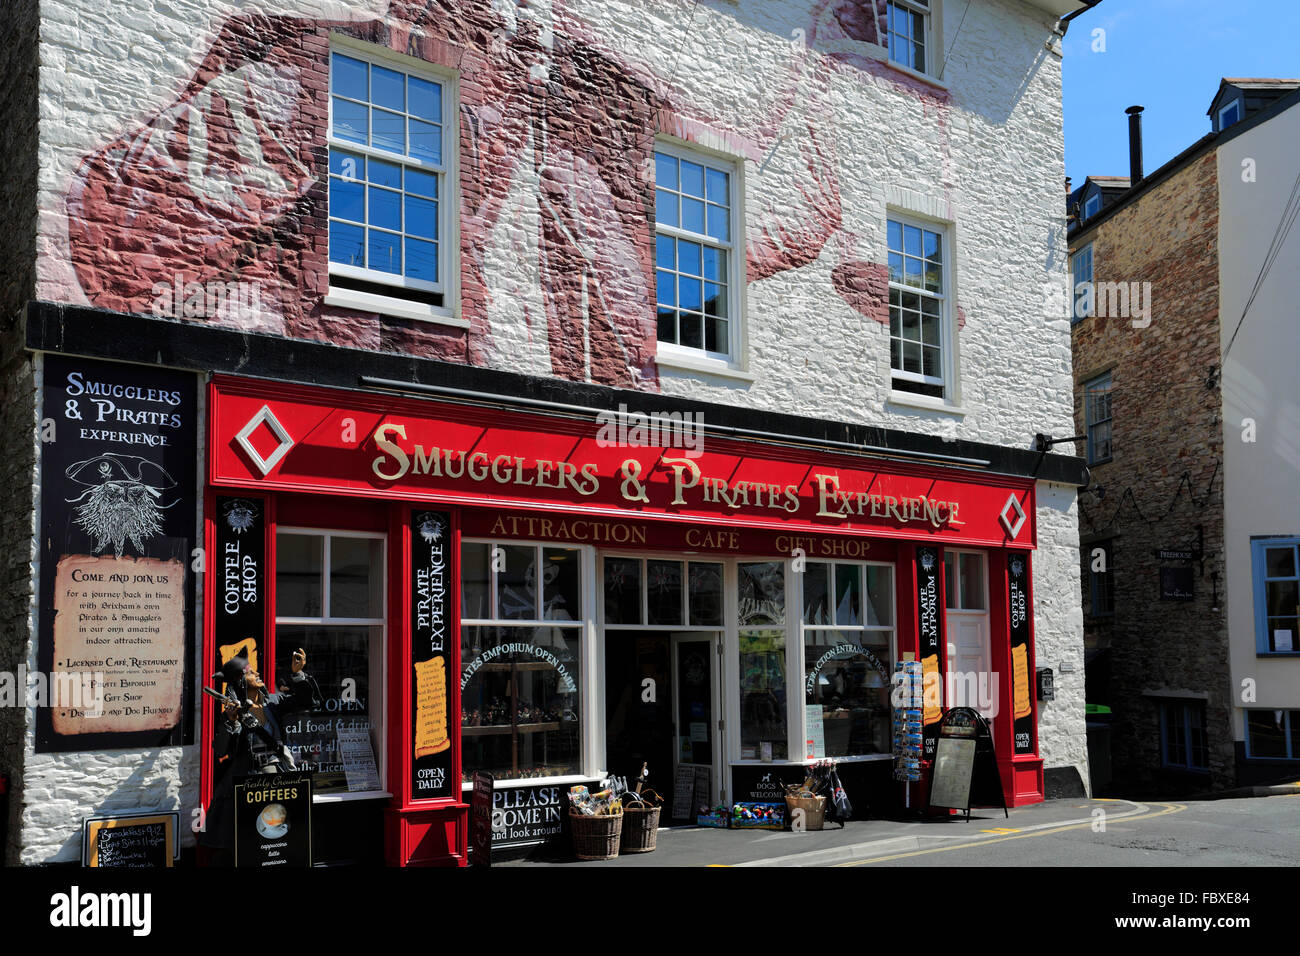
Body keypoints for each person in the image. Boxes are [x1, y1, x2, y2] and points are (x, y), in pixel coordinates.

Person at [199, 647, 321, 865]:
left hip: (276, 774)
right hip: (247, 780)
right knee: (247, 838)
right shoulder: (232, 711)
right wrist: (231, 721)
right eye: (251, 673)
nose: (258, 675)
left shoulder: (273, 704)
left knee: (280, 833)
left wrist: (298, 674)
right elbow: (220, 750)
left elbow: (308, 702)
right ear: (241, 681)